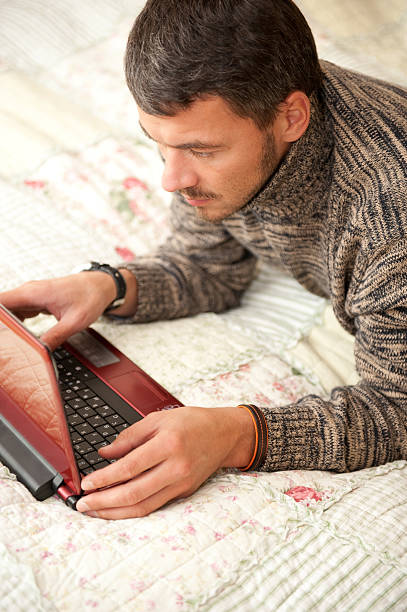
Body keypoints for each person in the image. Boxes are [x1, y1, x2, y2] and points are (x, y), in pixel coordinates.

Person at [1, 0, 407, 520]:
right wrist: (111, 285)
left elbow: (397, 407)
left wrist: (239, 433)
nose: (171, 179)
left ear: (292, 117)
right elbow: (209, 266)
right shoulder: (235, 115)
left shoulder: (389, 220)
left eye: (202, 151)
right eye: (159, 144)